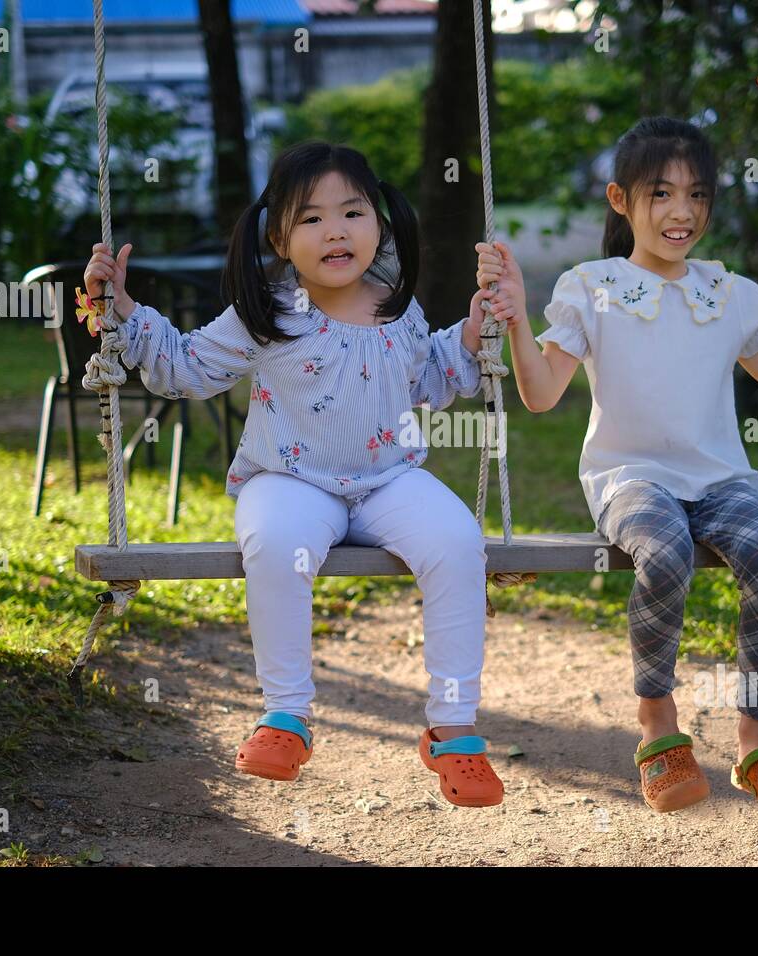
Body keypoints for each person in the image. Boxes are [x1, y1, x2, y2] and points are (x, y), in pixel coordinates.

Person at [82, 140, 505, 807]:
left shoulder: (397, 303)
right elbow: (187, 367)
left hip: (388, 477)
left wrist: (474, 334)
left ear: (379, 224)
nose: (335, 229)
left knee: (457, 540)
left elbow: (427, 378)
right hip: (289, 478)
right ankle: (286, 716)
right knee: (276, 544)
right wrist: (125, 313)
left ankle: (453, 726)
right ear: (279, 237)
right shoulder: (270, 313)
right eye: (310, 218)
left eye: (352, 212)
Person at [475, 116, 758, 812]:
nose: (682, 213)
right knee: (665, 553)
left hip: (721, 480)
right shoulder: (593, 286)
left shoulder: (730, 292)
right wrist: (516, 317)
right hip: (630, 477)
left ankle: (756, 738)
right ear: (621, 200)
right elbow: (541, 393)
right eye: (662, 194)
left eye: (697, 196)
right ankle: (659, 729)